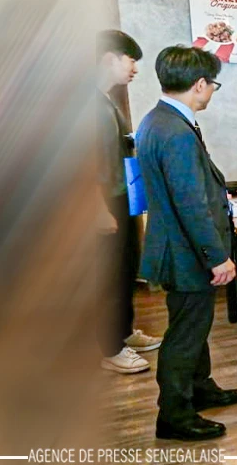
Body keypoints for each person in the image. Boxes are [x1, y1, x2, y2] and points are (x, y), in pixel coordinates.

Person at [137, 45, 237, 441]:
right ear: (200, 84)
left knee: (194, 327)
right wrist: (217, 257)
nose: (212, 92)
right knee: (184, 335)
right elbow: (189, 204)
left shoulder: (157, 120)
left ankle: (201, 388)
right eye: (213, 84)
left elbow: (189, 189)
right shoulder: (175, 131)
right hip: (187, 253)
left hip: (177, 247)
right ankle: (174, 414)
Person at [94, 30, 162, 375]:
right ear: (110, 57)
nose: (135, 68)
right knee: (110, 273)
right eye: (131, 59)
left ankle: (123, 332)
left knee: (125, 268)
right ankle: (110, 347)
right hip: (103, 201)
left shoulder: (104, 99)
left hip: (120, 195)